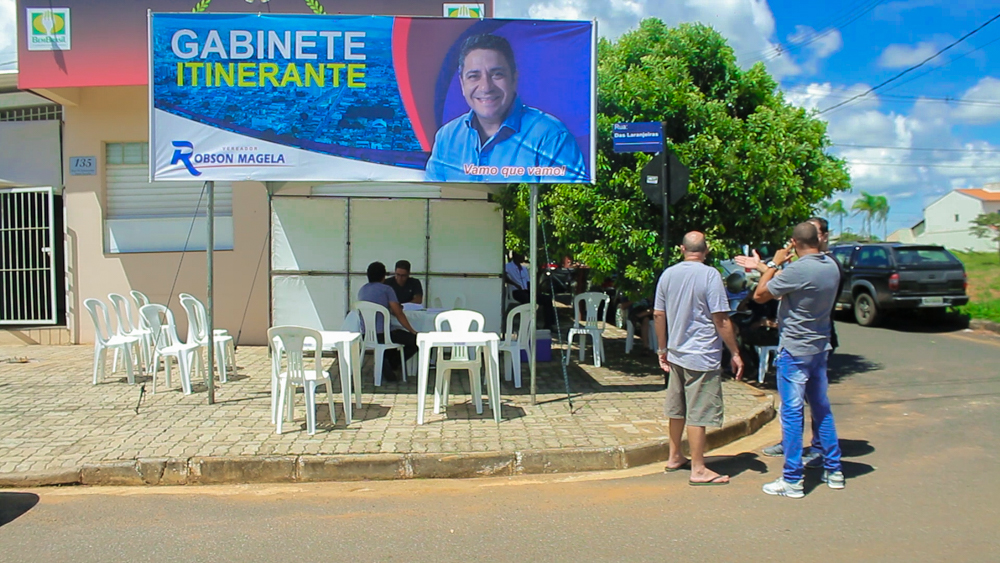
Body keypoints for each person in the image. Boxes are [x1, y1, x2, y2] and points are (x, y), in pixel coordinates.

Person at [749, 222, 844, 498]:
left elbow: (760, 294)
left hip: (795, 348)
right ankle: (833, 469)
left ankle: (792, 479)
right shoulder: (831, 266)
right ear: (818, 239)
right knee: (821, 408)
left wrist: (772, 264)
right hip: (819, 346)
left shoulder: (799, 270)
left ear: (793, 242)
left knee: (791, 413)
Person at [424, 33, 588, 183]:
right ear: (462, 83)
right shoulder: (446, 138)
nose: (486, 87)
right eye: (474, 76)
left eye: (497, 75)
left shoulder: (551, 137)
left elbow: (563, 210)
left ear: (514, 79)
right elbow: (432, 202)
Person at [654, 232, 744, 486]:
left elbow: (658, 314)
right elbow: (721, 318)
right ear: (706, 251)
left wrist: (663, 349)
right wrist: (735, 352)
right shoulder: (710, 275)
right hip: (702, 353)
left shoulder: (668, 274)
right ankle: (699, 468)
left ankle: (674, 456)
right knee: (698, 412)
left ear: (682, 249)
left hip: (677, 352)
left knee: (677, 408)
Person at [358, 261, 419, 382]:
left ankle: (385, 362)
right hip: (384, 335)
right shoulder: (387, 289)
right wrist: (412, 331)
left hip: (366, 335)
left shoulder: (362, 290)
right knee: (415, 341)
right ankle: (391, 364)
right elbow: (398, 313)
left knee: (395, 338)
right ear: (383, 276)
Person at [505, 252, 556, 329]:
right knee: (526, 299)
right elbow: (504, 277)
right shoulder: (508, 266)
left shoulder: (524, 268)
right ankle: (529, 324)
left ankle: (549, 325)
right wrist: (515, 284)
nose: (523, 258)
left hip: (526, 290)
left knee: (547, 299)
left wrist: (534, 291)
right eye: (522, 255)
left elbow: (528, 281)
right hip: (516, 291)